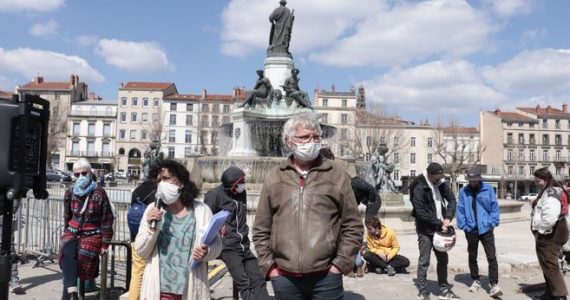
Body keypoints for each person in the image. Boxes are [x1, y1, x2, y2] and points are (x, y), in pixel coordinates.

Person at [253, 112, 363, 300]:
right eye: (304, 137)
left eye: (316, 137)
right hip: (284, 277)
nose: (311, 142)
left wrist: (339, 265)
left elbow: (353, 225)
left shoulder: (336, 173)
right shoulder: (275, 176)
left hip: (326, 277)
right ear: (288, 142)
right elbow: (261, 228)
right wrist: (269, 268)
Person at [135, 159, 222, 300]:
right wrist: (151, 230)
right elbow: (141, 251)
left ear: (181, 182)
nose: (161, 183)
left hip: (191, 288)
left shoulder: (201, 210)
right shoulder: (152, 210)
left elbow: (217, 245)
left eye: (166, 178)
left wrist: (206, 252)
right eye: (158, 180)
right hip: (159, 290)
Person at [205, 167, 269, 300]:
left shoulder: (241, 193)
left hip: (243, 245)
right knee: (245, 284)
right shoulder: (213, 195)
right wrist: (219, 229)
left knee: (259, 279)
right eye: (241, 182)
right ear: (231, 185)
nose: (243, 184)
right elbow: (205, 221)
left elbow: (241, 216)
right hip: (228, 248)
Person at [59, 158, 114, 300]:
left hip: (92, 233)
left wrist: (105, 243)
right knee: (66, 250)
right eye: (77, 174)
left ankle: (69, 293)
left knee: (83, 254)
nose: (81, 177)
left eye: (84, 173)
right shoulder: (70, 192)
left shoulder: (99, 192)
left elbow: (106, 218)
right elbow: (67, 216)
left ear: (90, 173)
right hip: (72, 230)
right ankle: (72, 289)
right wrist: (66, 232)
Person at [409, 162, 459, 300]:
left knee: (443, 259)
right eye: (437, 176)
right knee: (424, 260)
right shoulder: (419, 186)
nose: (439, 179)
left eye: (440, 175)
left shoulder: (441, 182)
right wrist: (439, 223)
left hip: (440, 228)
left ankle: (444, 289)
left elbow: (452, 200)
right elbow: (420, 212)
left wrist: (448, 217)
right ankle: (423, 291)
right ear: (430, 174)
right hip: (425, 229)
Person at [456, 168, 502, 297]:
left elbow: (494, 207)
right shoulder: (463, 191)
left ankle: (493, 284)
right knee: (472, 255)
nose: (473, 183)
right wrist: (463, 225)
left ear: (479, 179)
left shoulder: (488, 190)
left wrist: (492, 223)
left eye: (475, 180)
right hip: (471, 229)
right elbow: (460, 209)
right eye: (471, 181)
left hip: (486, 228)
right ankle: (475, 280)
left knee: (491, 256)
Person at [531, 167, 569, 300]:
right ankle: (551, 294)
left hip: (552, 232)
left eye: (538, 181)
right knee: (547, 264)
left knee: (550, 264)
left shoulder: (551, 192)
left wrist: (540, 231)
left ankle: (560, 295)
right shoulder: (550, 190)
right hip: (553, 231)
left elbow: (550, 216)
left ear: (546, 179)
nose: (537, 183)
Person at [318, 147, 382, 217]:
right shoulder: (352, 188)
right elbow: (356, 201)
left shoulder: (356, 182)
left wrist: (370, 201)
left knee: (370, 221)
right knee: (369, 222)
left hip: (374, 201)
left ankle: (378, 227)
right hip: (371, 202)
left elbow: (371, 189)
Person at [128, 166, 158, 300]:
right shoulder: (157, 192)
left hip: (135, 237)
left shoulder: (137, 190)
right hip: (151, 237)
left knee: (137, 272)